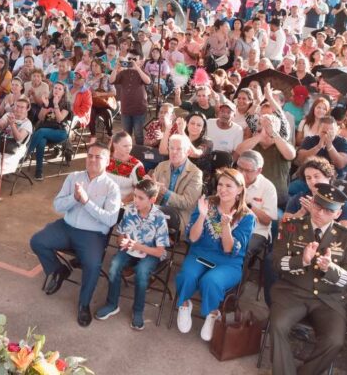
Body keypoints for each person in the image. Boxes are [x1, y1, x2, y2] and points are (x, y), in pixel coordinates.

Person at [269, 183, 347, 375]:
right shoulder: (291, 226)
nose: (320, 213)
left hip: (329, 299)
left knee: (335, 341)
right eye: (317, 206)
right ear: (312, 203)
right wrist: (301, 260)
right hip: (292, 291)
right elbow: (276, 263)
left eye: (328, 211)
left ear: (338, 213)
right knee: (278, 325)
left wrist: (331, 269)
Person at [30, 143, 121, 327]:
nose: (92, 160)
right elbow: (57, 205)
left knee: (93, 265)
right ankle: (59, 269)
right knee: (37, 241)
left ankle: (84, 304)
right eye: (90, 155)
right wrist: (74, 198)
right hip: (66, 227)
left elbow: (111, 219)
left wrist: (86, 201)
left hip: (92, 235)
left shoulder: (112, 187)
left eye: (98, 157)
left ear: (108, 161)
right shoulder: (73, 177)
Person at [175, 168, 255, 340]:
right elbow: (193, 238)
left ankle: (213, 313)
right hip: (200, 253)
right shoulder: (207, 203)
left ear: (240, 189)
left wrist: (226, 226)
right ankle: (185, 304)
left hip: (228, 262)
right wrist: (202, 216)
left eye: (229, 186)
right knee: (187, 275)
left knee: (211, 281)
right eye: (220, 184)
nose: (222, 189)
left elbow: (229, 249)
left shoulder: (247, 217)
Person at [95, 178, 170, 330]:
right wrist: (122, 242)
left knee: (142, 273)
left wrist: (138, 246)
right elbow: (120, 234)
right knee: (115, 265)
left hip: (150, 253)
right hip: (130, 249)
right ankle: (112, 304)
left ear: (152, 199)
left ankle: (138, 311)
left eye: (140, 198)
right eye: (135, 196)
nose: (135, 200)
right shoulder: (129, 210)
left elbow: (160, 251)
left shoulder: (159, 218)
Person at [145, 134, 203, 232]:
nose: (173, 152)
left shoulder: (196, 173)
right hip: (157, 210)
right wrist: (148, 186)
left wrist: (165, 192)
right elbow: (152, 195)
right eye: (171, 148)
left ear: (188, 152)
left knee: (145, 227)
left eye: (179, 149)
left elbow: (187, 203)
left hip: (178, 216)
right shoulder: (162, 165)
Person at [27, 81, 72, 181]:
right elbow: (40, 117)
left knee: (41, 131)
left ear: (64, 92)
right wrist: (45, 106)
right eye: (55, 88)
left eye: (60, 89)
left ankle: (26, 153)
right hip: (45, 130)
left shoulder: (66, 104)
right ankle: (39, 172)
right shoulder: (48, 100)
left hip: (59, 132)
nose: (57, 90)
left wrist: (56, 105)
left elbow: (60, 119)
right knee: (41, 141)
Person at [0, 97, 33, 185]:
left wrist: (12, 125)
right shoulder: (8, 114)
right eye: (17, 106)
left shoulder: (27, 123)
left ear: (27, 109)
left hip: (15, 148)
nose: (18, 109)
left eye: (22, 107)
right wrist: (5, 123)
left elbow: (18, 138)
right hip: (0, 143)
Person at [110, 53, 150, 145]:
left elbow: (148, 81)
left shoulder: (142, 72)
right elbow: (111, 81)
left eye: (134, 59)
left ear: (140, 61)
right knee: (126, 134)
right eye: (129, 59)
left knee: (138, 133)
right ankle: (127, 151)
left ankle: (139, 152)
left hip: (139, 108)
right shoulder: (123, 73)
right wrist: (116, 68)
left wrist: (137, 68)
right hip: (125, 108)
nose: (131, 61)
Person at [105, 132, 146, 203]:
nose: (129, 148)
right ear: (115, 145)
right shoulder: (105, 159)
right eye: (125, 146)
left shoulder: (137, 166)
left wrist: (121, 204)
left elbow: (141, 190)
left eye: (130, 145)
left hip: (123, 205)